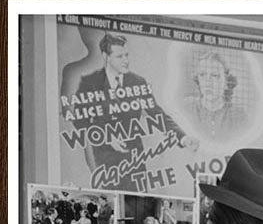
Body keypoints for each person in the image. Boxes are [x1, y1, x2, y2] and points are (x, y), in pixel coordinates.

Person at [70, 32, 198, 187]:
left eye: (127, 55)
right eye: (120, 56)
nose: (126, 61)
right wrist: (105, 136)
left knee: (139, 206)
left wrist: (182, 137)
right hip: (105, 160)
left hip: (135, 160)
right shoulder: (89, 83)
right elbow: (78, 118)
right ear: (106, 57)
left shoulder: (137, 82)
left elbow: (156, 114)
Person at [186, 51, 248, 141]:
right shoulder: (187, 108)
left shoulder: (240, 116)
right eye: (202, 75)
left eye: (215, 76)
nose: (208, 82)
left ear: (227, 82)